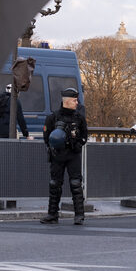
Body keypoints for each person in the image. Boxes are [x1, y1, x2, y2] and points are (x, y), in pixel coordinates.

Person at [41, 87, 89, 225]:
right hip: (57, 155)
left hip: (73, 155)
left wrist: (78, 144)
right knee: (54, 184)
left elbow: (84, 136)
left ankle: (79, 215)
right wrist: (53, 148)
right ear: (67, 101)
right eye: (74, 100)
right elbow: (46, 136)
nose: (77, 103)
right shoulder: (53, 117)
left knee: (76, 184)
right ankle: (52, 214)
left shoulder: (79, 118)